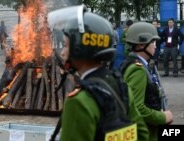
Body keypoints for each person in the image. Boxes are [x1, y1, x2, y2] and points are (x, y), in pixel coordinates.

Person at [48, 5, 148, 141]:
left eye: (65, 45)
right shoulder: (120, 85)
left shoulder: (78, 102)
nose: (62, 52)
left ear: (80, 49)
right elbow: (142, 134)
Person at [120, 22, 174, 141]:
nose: (155, 46)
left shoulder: (138, 64)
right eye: (153, 42)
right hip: (146, 133)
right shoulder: (137, 70)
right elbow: (137, 107)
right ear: (141, 45)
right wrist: (163, 117)